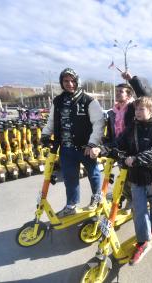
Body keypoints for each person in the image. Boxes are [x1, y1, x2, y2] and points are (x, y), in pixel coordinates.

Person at [103, 96, 152, 265]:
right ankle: (143, 242)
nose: (137, 112)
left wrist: (137, 159)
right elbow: (120, 142)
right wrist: (105, 148)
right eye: (136, 109)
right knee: (139, 210)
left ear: (150, 111)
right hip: (135, 178)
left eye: (141, 109)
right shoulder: (132, 127)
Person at [41, 68, 105, 217]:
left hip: (86, 148)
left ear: (77, 81)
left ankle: (96, 197)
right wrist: (45, 135)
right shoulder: (58, 101)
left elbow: (99, 123)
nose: (69, 84)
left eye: (72, 80)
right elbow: (52, 121)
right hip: (66, 149)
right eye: (66, 81)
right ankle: (71, 205)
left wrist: (93, 144)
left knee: (93, 173)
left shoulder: (89, 101)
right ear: (61, 82)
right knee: (70, 178)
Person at [104, 71, 151, 209]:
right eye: (117, 91)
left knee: (134, 179)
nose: (118, 93)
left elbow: (145, 96)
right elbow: (111, 132)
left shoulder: (132, 107)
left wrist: (132, 80)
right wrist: (105, 146)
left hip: (132, 150)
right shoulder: (113, 111)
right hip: (119, 150)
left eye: (121, 91)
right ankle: (131, 201)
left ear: (129, 95)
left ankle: (141, 202)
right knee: (123, 179)